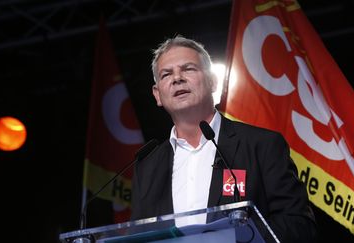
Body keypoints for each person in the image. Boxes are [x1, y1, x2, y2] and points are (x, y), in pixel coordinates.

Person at [130, 36, 317, 242]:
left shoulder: (262, 145)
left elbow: (298, 225)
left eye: (188, 69)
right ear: (157, 94)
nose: (177, 78)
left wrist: (231, 238)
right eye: (166, 74)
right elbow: (139, 236)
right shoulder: (147, 166)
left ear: (213, 82)